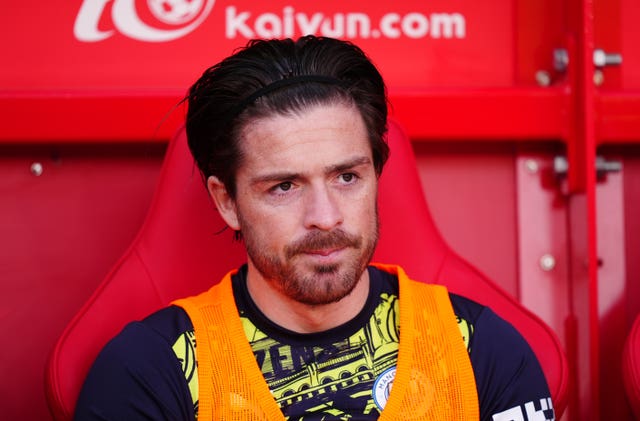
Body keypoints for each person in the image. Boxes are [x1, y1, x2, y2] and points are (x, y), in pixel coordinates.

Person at [75, 35, 555, 421]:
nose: (325, 217)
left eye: (347, 177)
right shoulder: (151, 369)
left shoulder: (478, 347)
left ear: (375, 176)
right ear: (227, 202)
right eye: (284, 186)